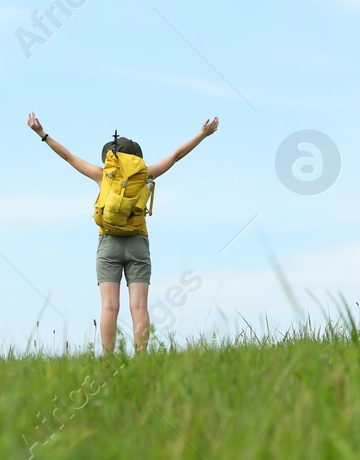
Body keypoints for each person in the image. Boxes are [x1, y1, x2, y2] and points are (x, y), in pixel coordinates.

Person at [27, 112, 219, 353]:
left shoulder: (102, 175)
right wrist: (202, 134)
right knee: (139, 306)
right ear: (136, 157)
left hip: (108, 243)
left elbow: (68, 157)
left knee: (109, 307)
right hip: (137, 242)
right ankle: (141, 357)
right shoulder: (145, 174)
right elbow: (176, 156)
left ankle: (108, 358)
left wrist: (41, 134)